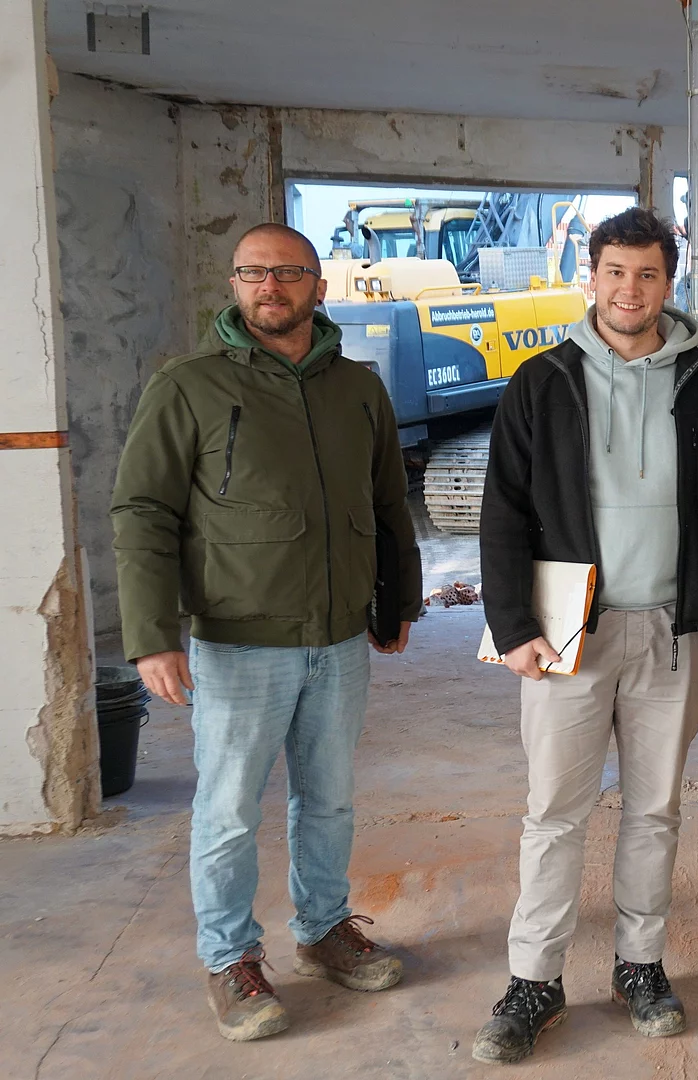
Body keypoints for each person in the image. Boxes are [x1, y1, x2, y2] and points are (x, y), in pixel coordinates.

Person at [111, 222, 422, 1042]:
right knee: (228, 811)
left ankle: (323, 930)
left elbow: (388, 502)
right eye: (253, 272)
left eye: (287, 271)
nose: (269, 286)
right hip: (238, 637)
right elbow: (142, 510)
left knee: (330, 798)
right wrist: (151, 633)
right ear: (234, 284)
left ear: (320, 285)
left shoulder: (357, 388)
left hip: (337, 638)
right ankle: (230, 959)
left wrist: (397, 602)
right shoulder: (188, 386)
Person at [472, 207, 698, 1065]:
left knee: (654, 809)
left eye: (647, 274)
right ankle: (534, 978)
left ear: (668, 283)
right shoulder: (541, 381)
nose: (630, 290)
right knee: (554, 812)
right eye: (615, 272)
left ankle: (640, 964)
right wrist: (513, 625)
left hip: (676, 630)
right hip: (569, 631)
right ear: (590, 278)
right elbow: (502, 508)